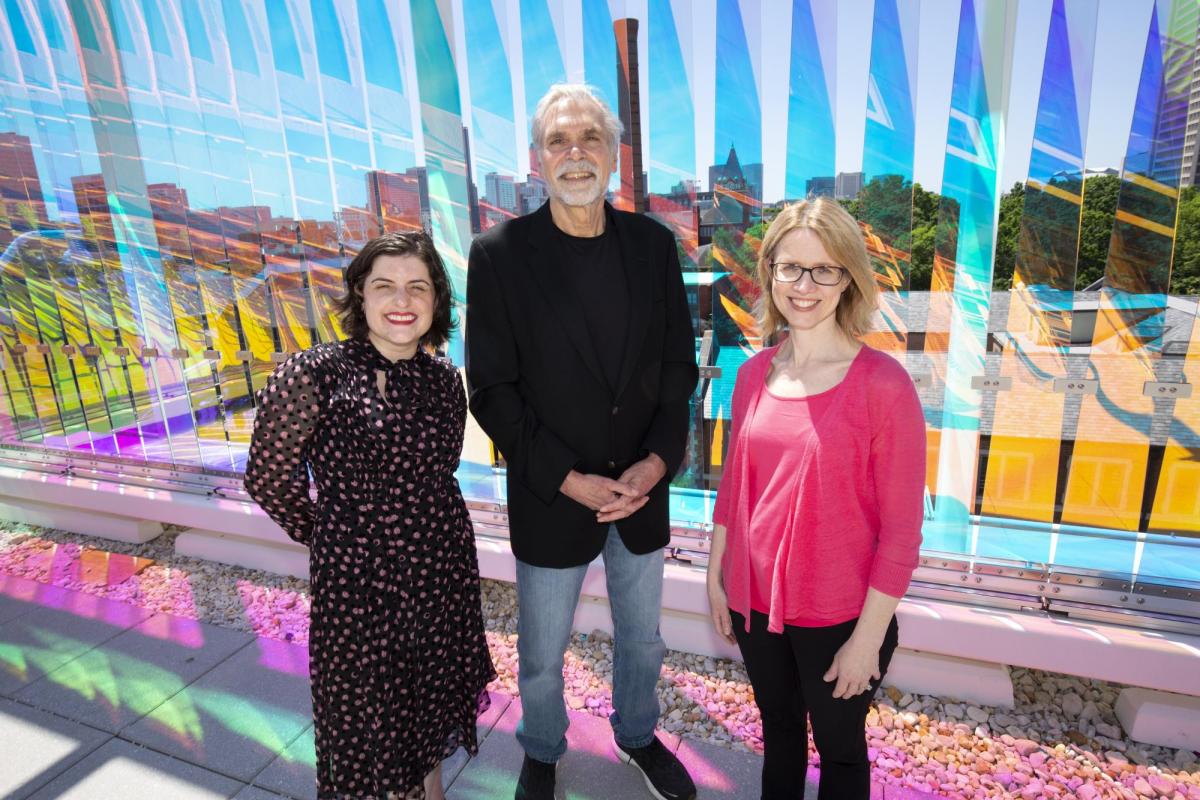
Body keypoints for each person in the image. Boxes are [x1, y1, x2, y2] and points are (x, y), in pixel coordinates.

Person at [465, 83, 699, 800]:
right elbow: (493, 391)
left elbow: (675, 370)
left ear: (613, 153)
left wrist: (656, 465)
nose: (575, 154)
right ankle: (541, 748)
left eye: (589, 139)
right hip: (551, 493)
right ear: (538, 160)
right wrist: (569, 478)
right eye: (558, 142)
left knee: (645, 641)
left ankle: (636, 734)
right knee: (539, 656)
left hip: (641, 492)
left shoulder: (654, 245)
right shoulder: (499, 254)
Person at [244, 231, 496, 800]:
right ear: (360, 295)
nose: (401, 300)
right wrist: (338, 534)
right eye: (384, 286)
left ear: (436, 302)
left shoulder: (443, 382)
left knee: (428, 704)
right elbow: (268, 479)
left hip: (441, 572)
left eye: (417, 287)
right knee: (369, 719)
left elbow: (439, 474)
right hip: (360, 587)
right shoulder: (312, 375)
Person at [705, 198, 925, 800]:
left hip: (840, 616)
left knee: (841, 755)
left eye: (825, 269)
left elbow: (903, 534)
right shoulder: (753, 374)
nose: (805, 286)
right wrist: (715, 574)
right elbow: (735, 486)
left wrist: (867, 641)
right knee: (778, 739)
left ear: (849, 278)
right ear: (769, 271)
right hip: (756, 606)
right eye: (791, 267)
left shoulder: (883, 385)